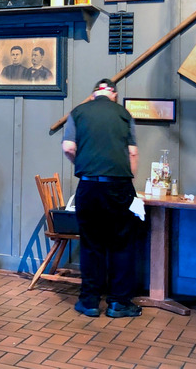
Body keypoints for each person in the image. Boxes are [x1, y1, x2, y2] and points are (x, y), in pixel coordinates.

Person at [62, 79, 141, 318]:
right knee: (122, 244)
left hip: (89, 186)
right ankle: (119, 303)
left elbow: (68, 147)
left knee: (91, 244)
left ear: (94, 94)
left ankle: (90, 302)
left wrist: (84, 166)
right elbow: (133, 152)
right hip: (119, 186)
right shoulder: (124, 114)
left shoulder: (77, 112)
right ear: (114, 94)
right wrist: (128, 178)